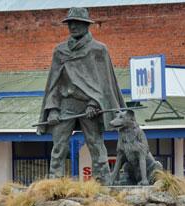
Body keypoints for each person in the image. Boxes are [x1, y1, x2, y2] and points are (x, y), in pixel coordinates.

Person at [37, 7, 126, 184]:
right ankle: (54, 183)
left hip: (90, 106)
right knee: (59, 146)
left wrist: (95, 103)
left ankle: (102, 182)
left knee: (95, 144)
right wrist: (53, 109)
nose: (73, 26)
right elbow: (54, 82)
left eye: (77, 22)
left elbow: (104, 82)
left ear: (86, 25)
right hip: (66, 104)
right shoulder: (60, 51)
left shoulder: (98, 49)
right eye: (70, 23)